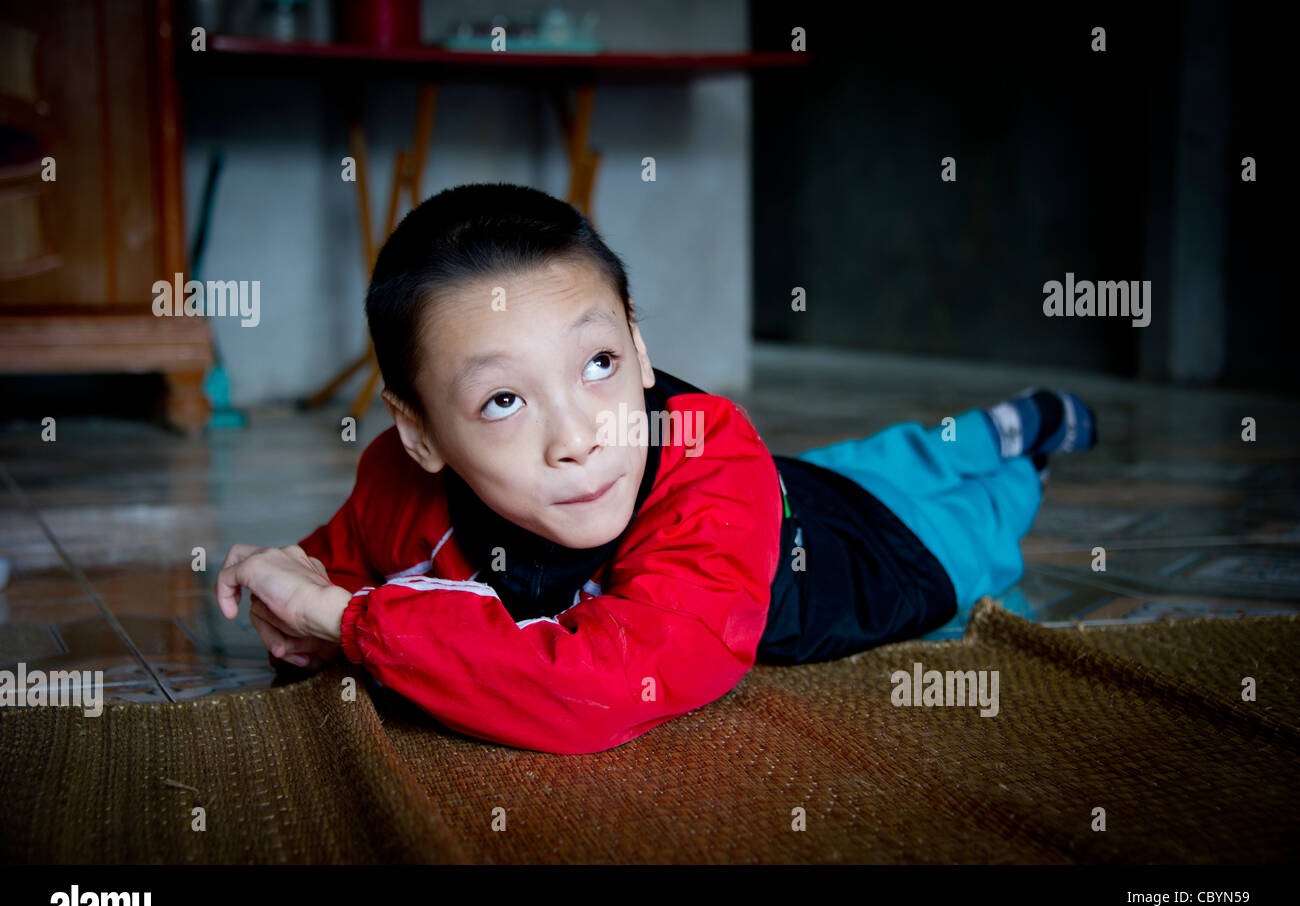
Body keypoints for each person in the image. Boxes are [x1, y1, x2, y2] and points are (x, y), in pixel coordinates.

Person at [215, 183, 1096, 754]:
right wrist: (293, 595)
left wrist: (348, 620)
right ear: (418, 436)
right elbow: (336, 560)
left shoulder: (713, 459)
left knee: (980, 512)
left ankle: (1026, 442)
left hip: (884, 556)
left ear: (638, 346)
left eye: (597, 364)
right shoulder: (399, 483)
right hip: (775, 492)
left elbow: (593, 690)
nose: (579, 437)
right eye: (503, 401)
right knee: (853, 466)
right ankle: (1002, 431)